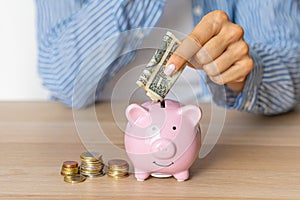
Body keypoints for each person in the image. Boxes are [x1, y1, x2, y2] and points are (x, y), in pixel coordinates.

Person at [36, 0, 300, 115]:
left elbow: (292, 66)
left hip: (211, 127)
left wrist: (241, 72)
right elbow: (62, 80)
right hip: (96, 123)